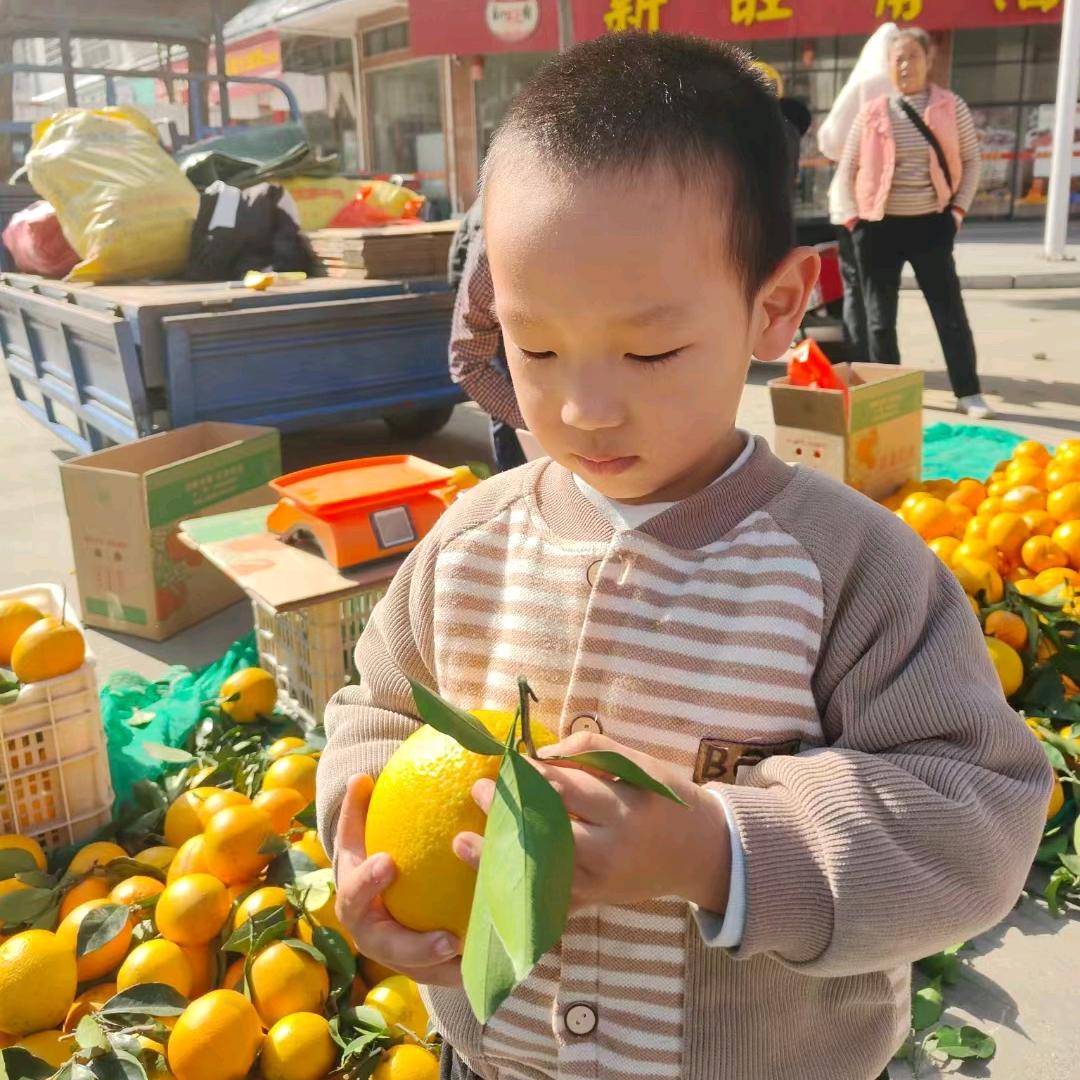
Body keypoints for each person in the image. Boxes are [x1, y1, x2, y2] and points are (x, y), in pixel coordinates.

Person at [318, 34, 1049, 1080]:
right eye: (535, 347)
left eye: (650, 350)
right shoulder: (466, 546)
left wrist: (715, 850)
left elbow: (976, 818)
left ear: (777, 307)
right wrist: (368, 855)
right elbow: (375, 713)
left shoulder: (849, 571)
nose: (582, 407)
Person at [836, 27, 993, 419]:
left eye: (913, 57)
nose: (906, 65)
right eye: (898, 58)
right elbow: (847, 168)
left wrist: (956, 212)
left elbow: (972, 162)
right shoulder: (871, 111)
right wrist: (854, 219)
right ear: (889, 65)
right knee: (879, 320)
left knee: (949, 313)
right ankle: (891, 398)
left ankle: (968, 392)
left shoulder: (949, 106)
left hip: (931, 226)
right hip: (877, 228)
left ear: (929, 61)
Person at [818, 23, 895, 359]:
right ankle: (883, 360)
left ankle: (858, 357)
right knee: (880, 289)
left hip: (851, 207)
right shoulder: (900, 89)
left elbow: (829, 140)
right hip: (889, 208)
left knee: (855, 286)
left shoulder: (861, 85)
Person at [448, 199, 527, 472]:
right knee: (514, 390)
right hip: (481, 271)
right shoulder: (497, 249)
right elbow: (468, 363)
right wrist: (532, 420)